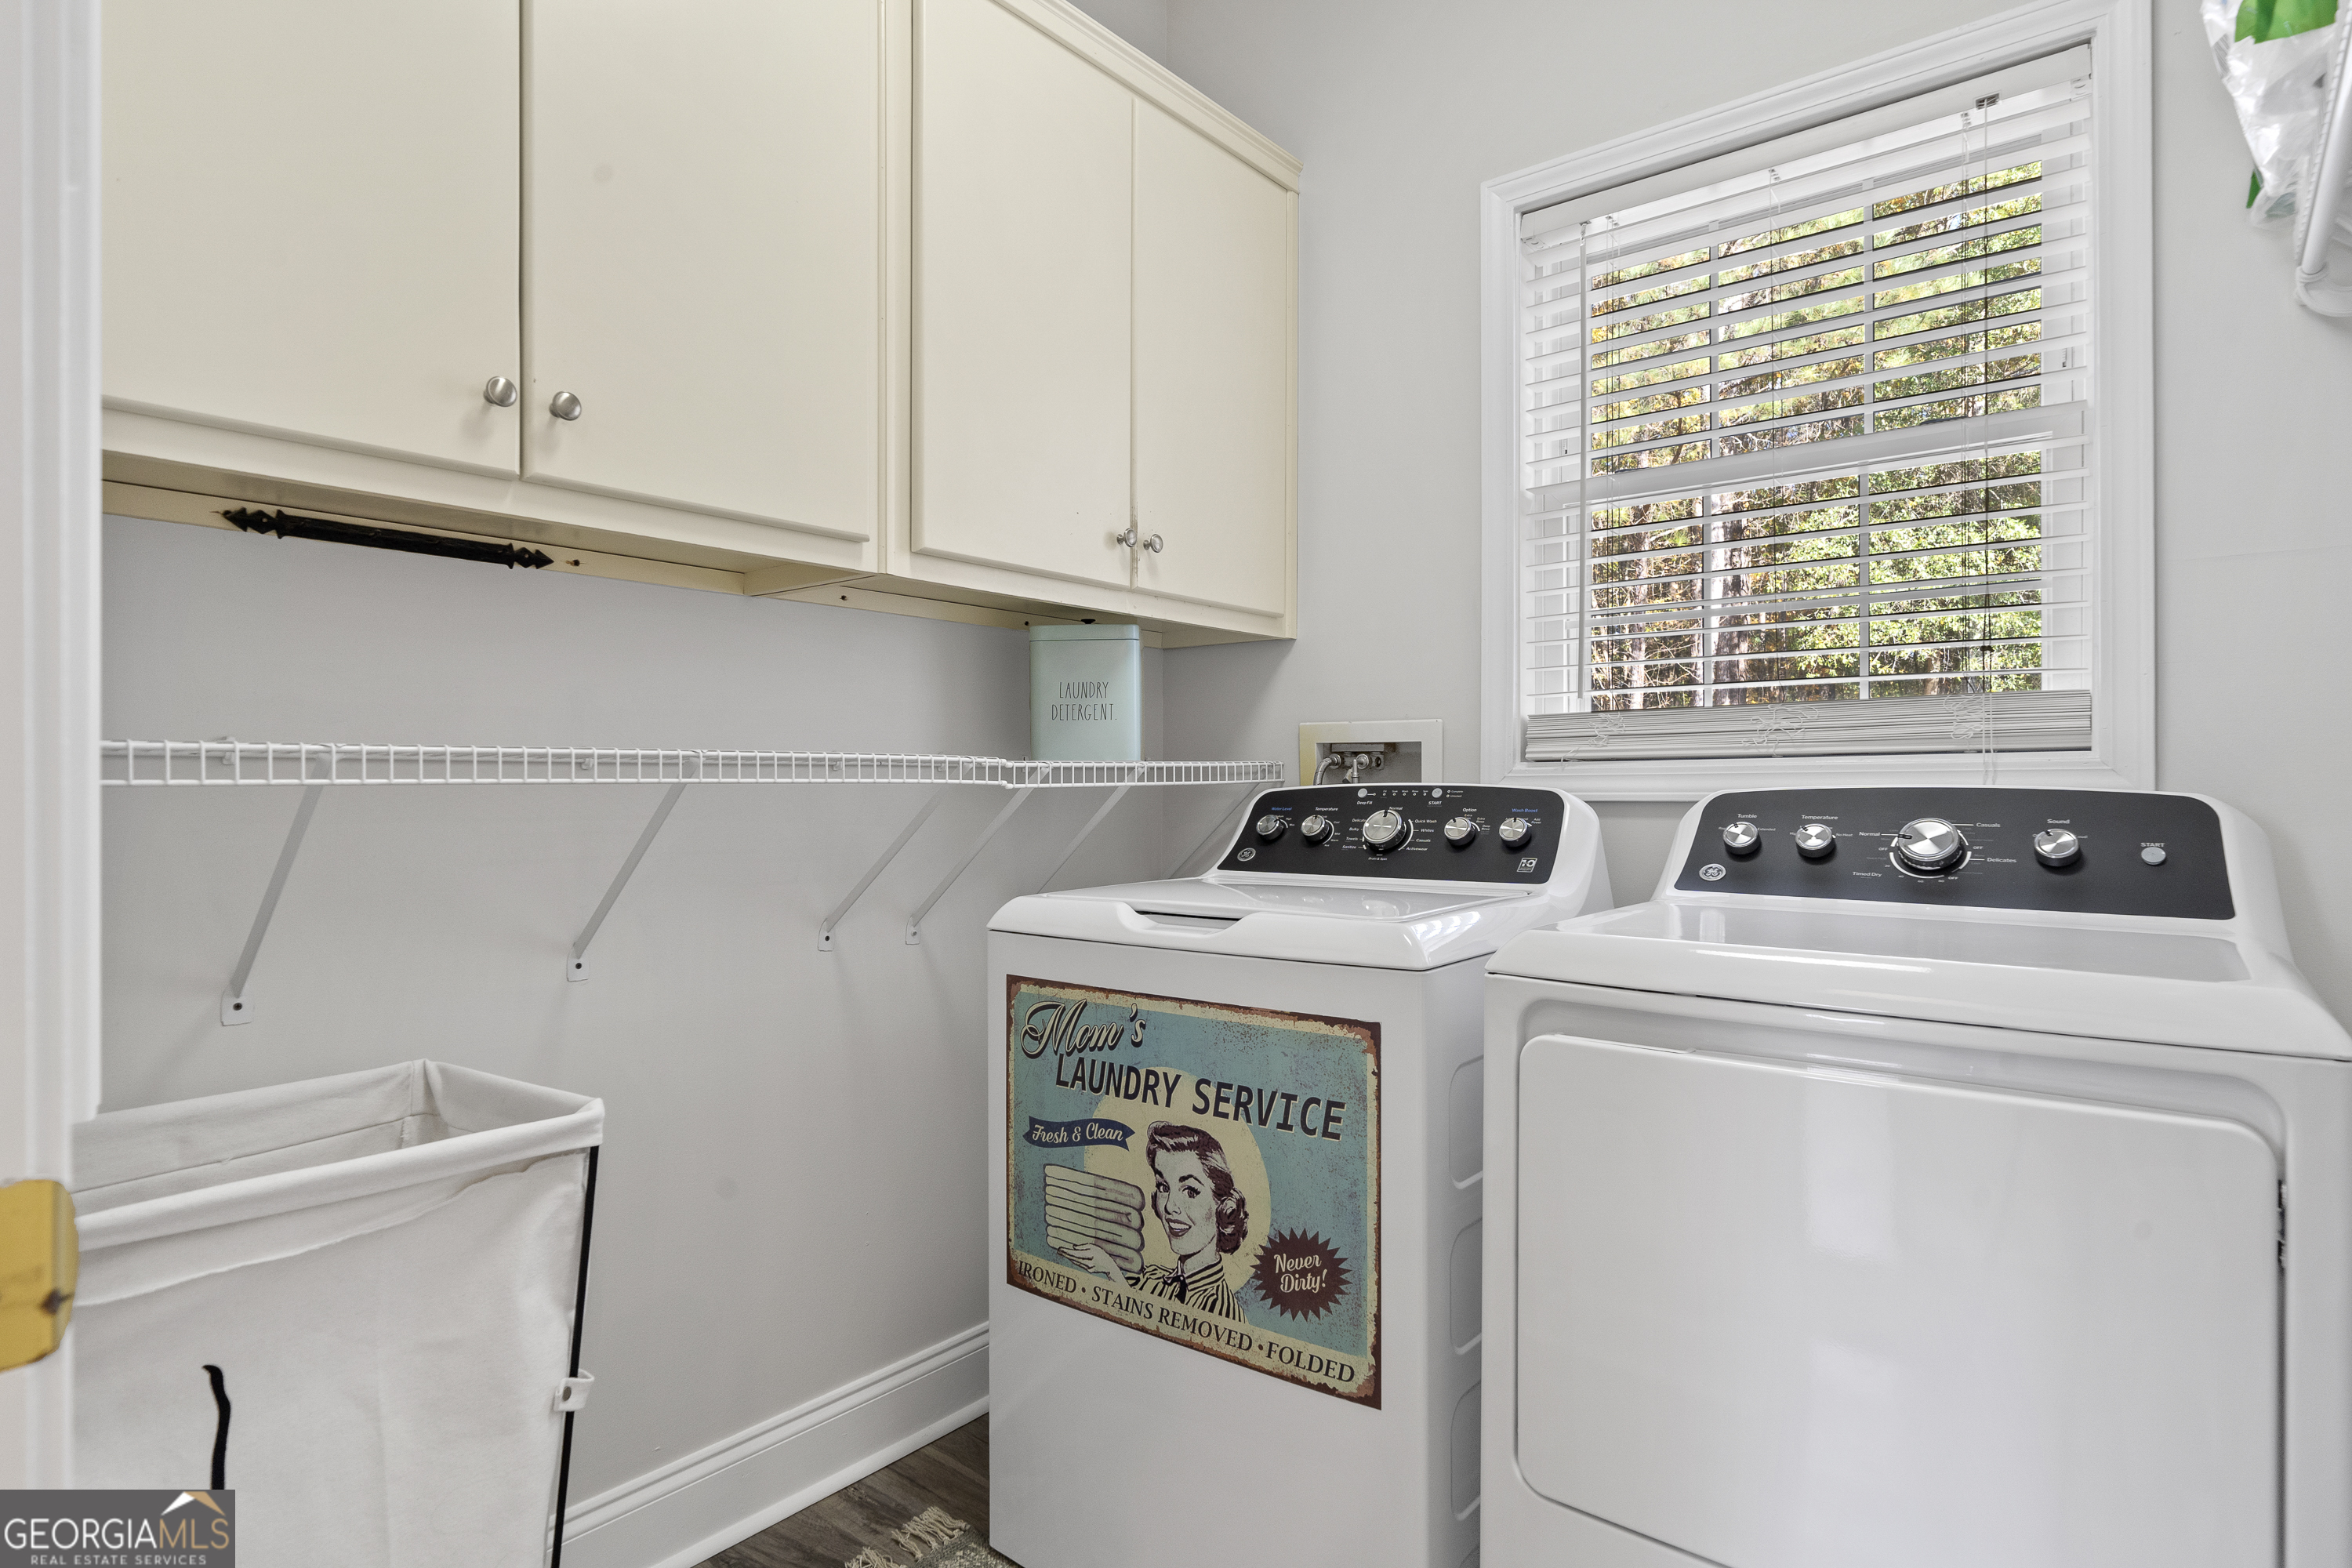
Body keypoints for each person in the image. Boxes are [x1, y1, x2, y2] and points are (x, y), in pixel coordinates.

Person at [1073, 1122, 1249, 1321]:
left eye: (1190, 1191)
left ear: (1224, 1207)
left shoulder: (1225, 1312)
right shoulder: (1150, 1278)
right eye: (1164, 1187)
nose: (1170, 1207)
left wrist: (1112, 1273)